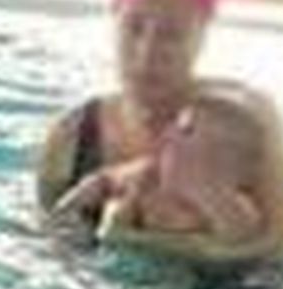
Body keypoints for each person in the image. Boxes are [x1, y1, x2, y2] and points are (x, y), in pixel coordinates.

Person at [36, 0, 283, 264]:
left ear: (202, 36)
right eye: (134, 28)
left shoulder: (243, 119)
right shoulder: (71, 136)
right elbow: (46, 244)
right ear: (114, 19)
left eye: (172, 35)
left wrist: (139, 243)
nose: (147, 53)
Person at [62, 88, 268, 254]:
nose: (168, 133)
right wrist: (69, 208)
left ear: (222, 167)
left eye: (185, 130)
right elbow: (103, 180)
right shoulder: (148, 176)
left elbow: (238, 241)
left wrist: (209, 195)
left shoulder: (234, 208)